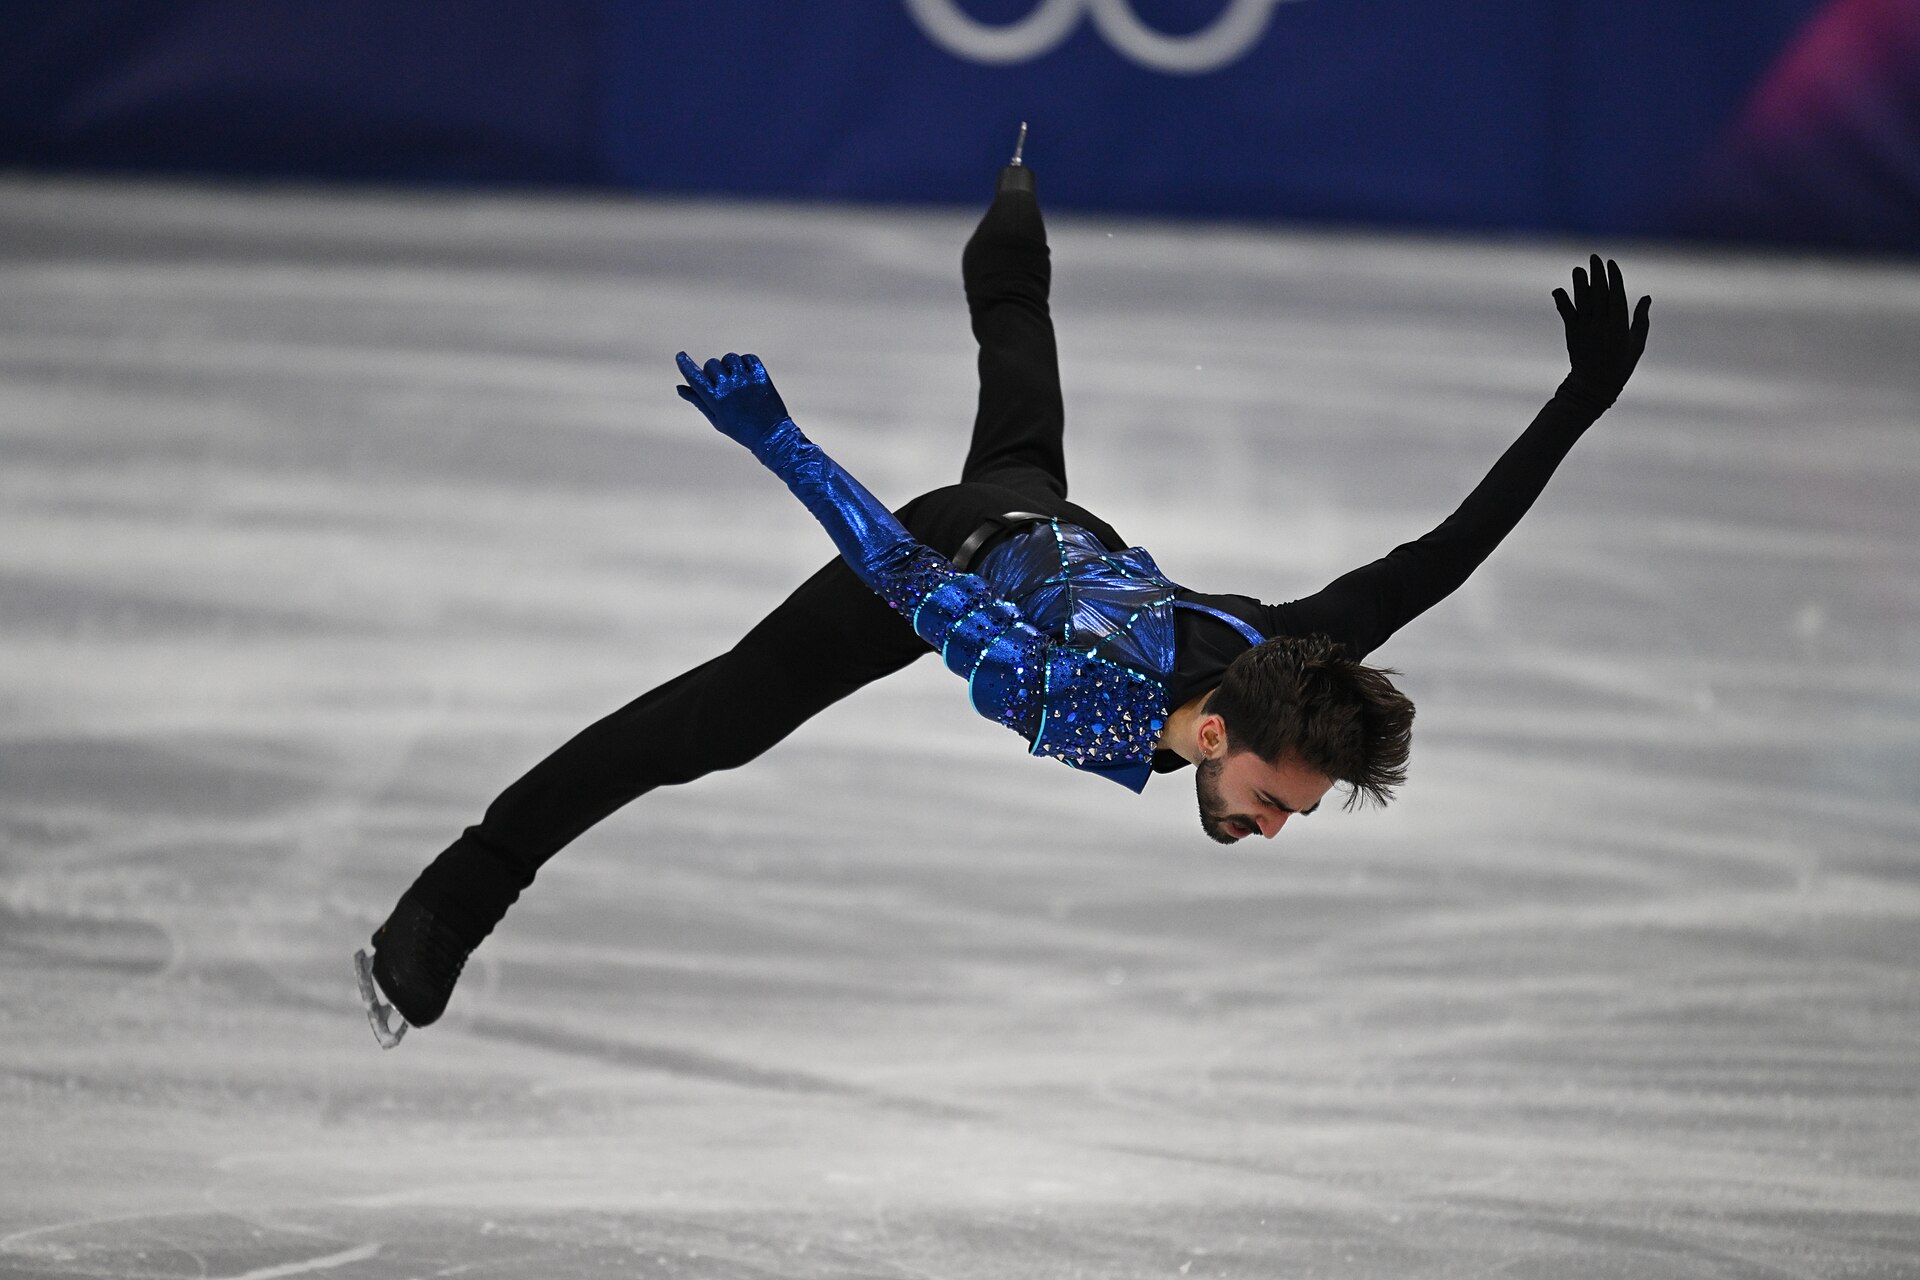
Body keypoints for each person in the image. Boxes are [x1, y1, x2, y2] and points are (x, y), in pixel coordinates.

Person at [355, 148, 1651, 1048]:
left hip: (1055, 524)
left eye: (1286, 817)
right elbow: (906, 578)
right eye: (1270, 803)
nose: (1267, 831)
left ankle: (1011, 210)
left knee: (1019, 358)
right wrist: (777, 440)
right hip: (945, 553)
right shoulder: (1085, 700)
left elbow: (1441, 558)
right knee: (714, 725)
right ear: (1212, 733)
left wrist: (1579, 400)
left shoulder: (1287, 659)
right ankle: (458, 895)